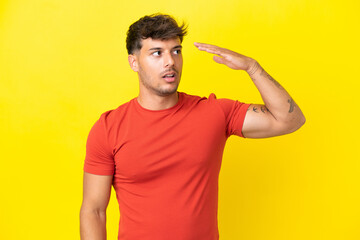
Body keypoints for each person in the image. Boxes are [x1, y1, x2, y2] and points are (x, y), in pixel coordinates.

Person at [80, 13, 305, 240]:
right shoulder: (109, 128)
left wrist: (252, 67)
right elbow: (93, 211)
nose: (170, 61)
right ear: (134, 62)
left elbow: (290, 119)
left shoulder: (214, 113)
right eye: (157, 53)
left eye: (176, 51)